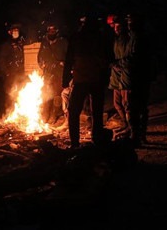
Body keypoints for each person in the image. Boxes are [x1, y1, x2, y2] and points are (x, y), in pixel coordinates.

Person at [62, 15, 113, 149]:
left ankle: (75, 143)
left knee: (74, 111)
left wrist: (65, 80)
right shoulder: (100, 38)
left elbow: (69, 60)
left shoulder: (78, 37)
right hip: (95, 80)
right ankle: (96, 139)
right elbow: (108, 58)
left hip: (83, 80)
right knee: (96, 111)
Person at [108, 15, 136, 141]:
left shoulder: (128, 39)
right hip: (116, 75)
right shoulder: (116, 39)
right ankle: (125, 124)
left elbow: (131, 57)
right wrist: (113, 63)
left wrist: (119, 64)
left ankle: (132, 129)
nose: (116, 29)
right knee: (117, 103)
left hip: (125, 74)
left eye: (118, 26)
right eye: (115, 27)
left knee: (127, 104)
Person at [126, 12, 153, 144]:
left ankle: (136, 135)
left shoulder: (138, 38)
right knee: (139, 107)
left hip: (138, 77)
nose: (128, 24)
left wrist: (120, 63)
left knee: (134, 107)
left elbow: (135, 58)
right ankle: (139, 134)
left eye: (130, 22)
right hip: (140, 77)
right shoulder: (134, 37)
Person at [38, 23, 68, 126]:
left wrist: (63, 63)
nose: (51, 32)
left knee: (57, 96)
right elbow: (40, 56)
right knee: (46, 95)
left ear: (57, 31)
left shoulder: (63, 42)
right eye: (50, 31)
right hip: (48, 73)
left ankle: (54, 115)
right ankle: (45, 115)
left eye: (53, 31)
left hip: (59, 73)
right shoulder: (45, 43)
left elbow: (68, 56)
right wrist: (42, 64)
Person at [0, 23, 27, 116]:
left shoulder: (21, 43)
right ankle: (9, 114)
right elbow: (1, 60)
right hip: (11, 74)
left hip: (20, 74)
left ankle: (19, 114)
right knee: (10, 94)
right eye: (14, 31)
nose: (16, 33)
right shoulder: (6, 45)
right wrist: (6, 72)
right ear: (10, 32)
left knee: (20, 93)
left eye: (17, 31)